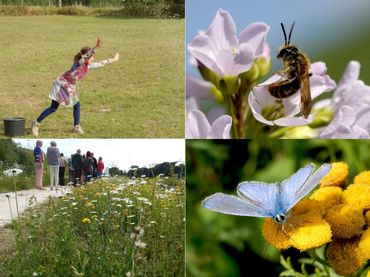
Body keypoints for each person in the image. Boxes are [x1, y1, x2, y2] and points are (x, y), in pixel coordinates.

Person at [31, 37, 120, 136]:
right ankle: (36, 123)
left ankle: (76, 126)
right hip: (61, 85)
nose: (93, 58)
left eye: (93, 56)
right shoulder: (79, 63)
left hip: (69, 87)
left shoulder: (88, 66)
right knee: (53, 108)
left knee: (75, 105)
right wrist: (96, 47)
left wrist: (114, 59)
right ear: (84, 56)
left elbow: (101, 63)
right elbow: (87, 56)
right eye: (91, 56)